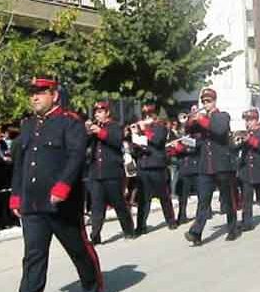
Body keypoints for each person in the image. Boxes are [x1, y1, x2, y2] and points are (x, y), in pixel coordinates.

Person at [3, 76, 104, 292]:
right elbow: (22, 164)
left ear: (54, 95)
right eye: (32, 93)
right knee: (33, 256)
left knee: (78, 249)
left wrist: (63, 186)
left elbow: (76, 157)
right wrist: (16, 194)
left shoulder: (70, 123)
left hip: (61, 202)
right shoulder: (27, 125)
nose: (34, 97)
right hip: (33, 203)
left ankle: (93, 289)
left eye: (40, 92)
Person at [184, 88, 239, 245]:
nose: (206, 104)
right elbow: (188, 131)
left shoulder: (222, 116)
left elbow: (219, 130)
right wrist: (190, 119)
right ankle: (196, 232)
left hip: (222, 164)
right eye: (204, 102)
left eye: (208, 101)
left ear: (214, 101)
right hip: (205, 166)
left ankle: (233, 228)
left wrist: (200, 119)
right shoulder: (201, 119)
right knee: (203, 200)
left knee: (227, 199)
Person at [87, 101, 136, 244]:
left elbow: (116, 141)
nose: (97, 114)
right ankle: (95, 235)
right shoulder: (94, 129)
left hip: (112, 172)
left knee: (119, 203)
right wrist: (87, 132)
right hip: (96, 172)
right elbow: (85, 144)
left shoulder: (115, 126)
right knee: (97, 206)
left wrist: (99, 132)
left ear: (107, 113)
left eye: (100, 112)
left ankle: (128, 230)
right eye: (96, 112)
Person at [132, 104, 177, 234]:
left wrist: (144, 130)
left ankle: (171, 220)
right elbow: (136, 147)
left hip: (156, 166)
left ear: (155, 115)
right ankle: (141, 226)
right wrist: (135, 137)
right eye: (145, 114)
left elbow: (157, 141)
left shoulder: (160, 127)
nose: (146, 117)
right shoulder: (140, 129)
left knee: (164, 196)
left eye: (149, 114)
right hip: (143, 166)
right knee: (143, 199)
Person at [237, 109, 260, 231]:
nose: (248, 123)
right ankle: (246, 222)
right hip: (246, 171)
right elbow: (235, 149)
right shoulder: (243, 134)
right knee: (246, 198)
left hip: (259, 169)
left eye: (250, 120)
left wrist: (250, 140)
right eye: (246, 121)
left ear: (256, 120)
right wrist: (236, 142)